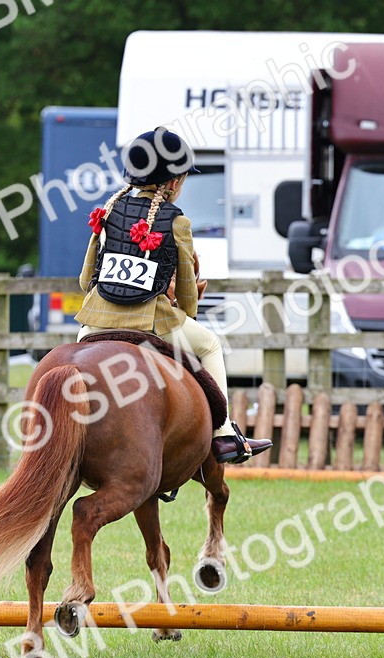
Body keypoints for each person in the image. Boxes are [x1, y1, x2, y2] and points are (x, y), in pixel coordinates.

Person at [74, 127, 272, 464]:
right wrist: (187, 311)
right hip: (152, 321)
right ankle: (223, 435)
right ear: (174, 182)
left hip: (94, 322)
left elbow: (84, 281)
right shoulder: (176, 221)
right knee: (210, 345)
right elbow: (186, 292)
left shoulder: (108, 211)